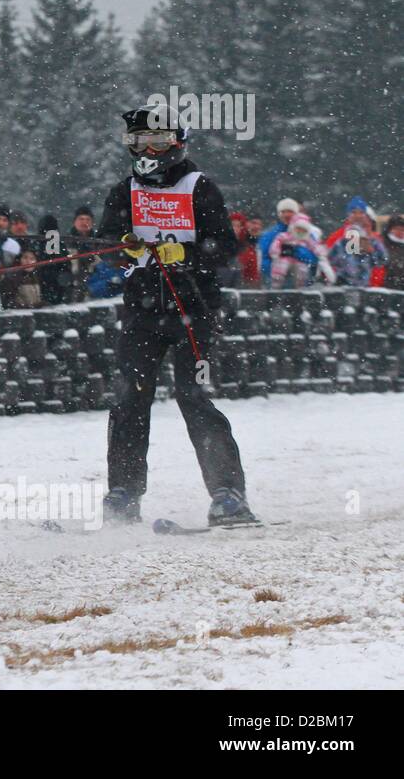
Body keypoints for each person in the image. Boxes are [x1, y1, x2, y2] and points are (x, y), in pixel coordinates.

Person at [96, 103, 253, 527]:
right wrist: (123, 245)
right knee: (130, 398)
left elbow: (224, 246)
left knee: (193, 396)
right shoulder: (124, 190)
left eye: (158, 140)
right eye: (139, 141)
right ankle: (123, 493)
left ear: (177, 142)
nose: (148, 148)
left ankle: (228, 494)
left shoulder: (200, 187)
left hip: (195, 311)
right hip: (142, 314)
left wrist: (183, 252)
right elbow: (104, 239)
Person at [269, 213, 335, 288]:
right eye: (298, 228)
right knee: (281, 266)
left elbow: (315, 246)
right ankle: (276, 284)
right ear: (293, 227)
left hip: (299, 261)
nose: (300, 231)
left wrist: (321, 254)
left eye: (303, 229)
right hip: (285, 257)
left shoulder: (307, 239)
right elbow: (276, 242)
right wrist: (275, 252)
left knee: (302, 270)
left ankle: (300, 286)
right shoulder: (285, 236)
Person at [257, 197, 300, 285]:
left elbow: (313, 257)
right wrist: (273, 276)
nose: (286, 215)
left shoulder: (305, 232)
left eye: (290, 211)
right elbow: (263, 259)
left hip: (299, 281)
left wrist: (294, 253)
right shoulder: (270, 234)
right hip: (276, 282)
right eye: (283, 212)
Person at [382, 215, 404, 290]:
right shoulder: (382, 244)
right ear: (390, 230)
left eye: (402, 229)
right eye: (397, 229)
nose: (400, 232)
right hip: (386, 287)